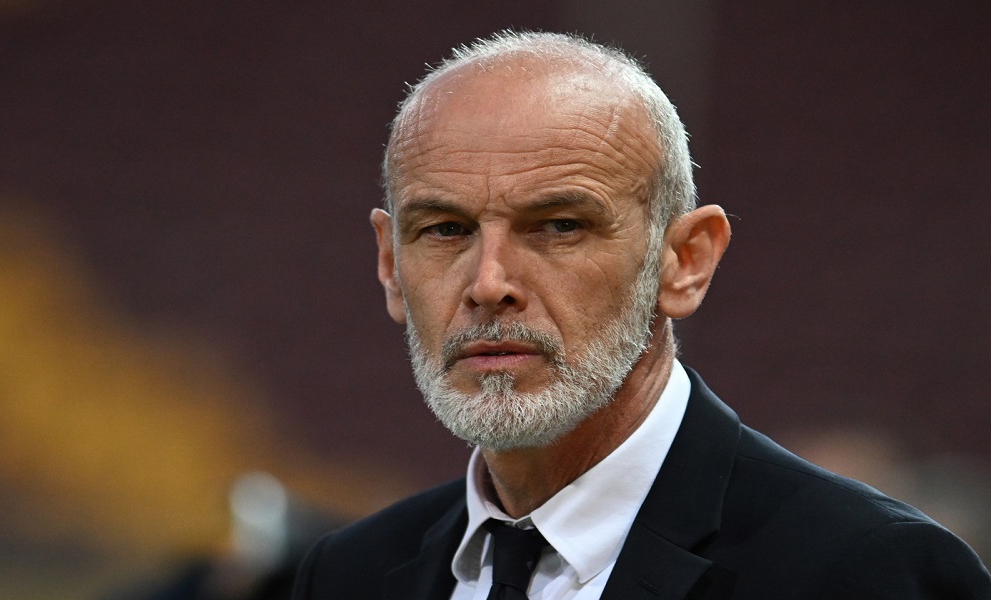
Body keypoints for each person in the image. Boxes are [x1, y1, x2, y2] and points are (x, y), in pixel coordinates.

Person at [292, 31, 991, 599]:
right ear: (391, 265)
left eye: (560, 225)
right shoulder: (346, 575)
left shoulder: (867, 572)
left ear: (685, 262)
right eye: (445, 229)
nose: (488, 283)